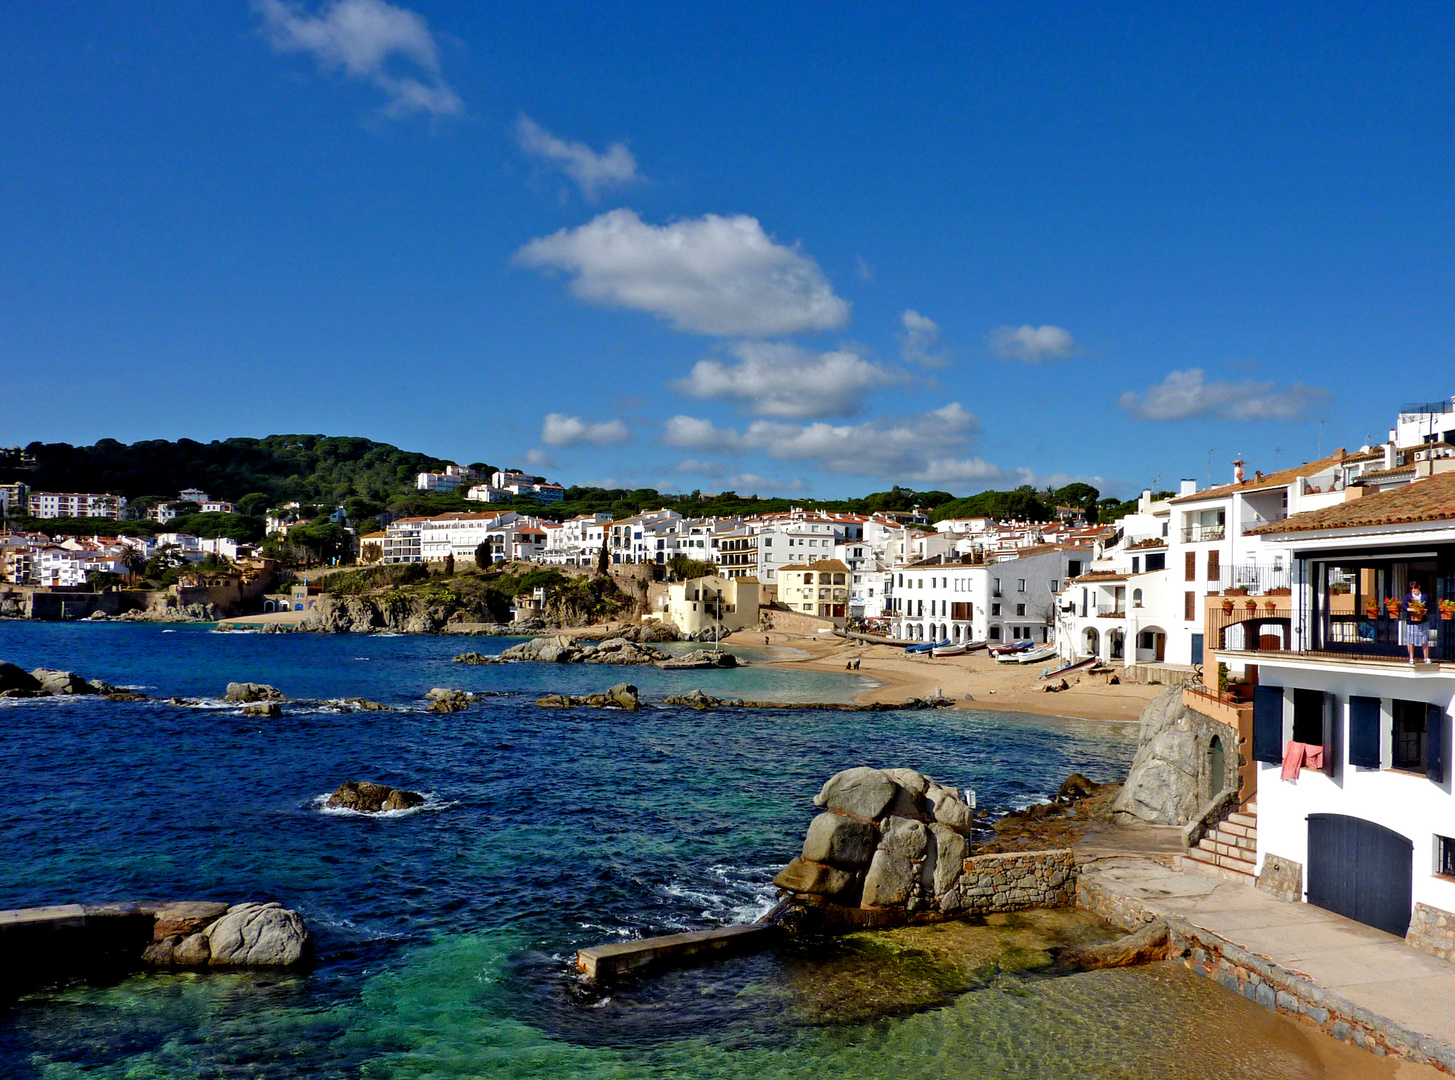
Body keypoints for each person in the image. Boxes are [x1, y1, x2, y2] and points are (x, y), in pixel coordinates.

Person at [1405, 580, 1433, 664]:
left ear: (1418, 587)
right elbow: (1403, 605)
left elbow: (1430, 605)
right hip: (1412, 621)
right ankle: (1411, 658)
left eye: (1415, 588)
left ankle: (1426, 657)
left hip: (1422, 621)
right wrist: (1408, 609)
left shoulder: (1425, 596)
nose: (1413, 590)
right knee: (1410, 640)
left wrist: (1426, 610)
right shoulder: (1408, 597)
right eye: (1412, 589)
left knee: (1424, 639)